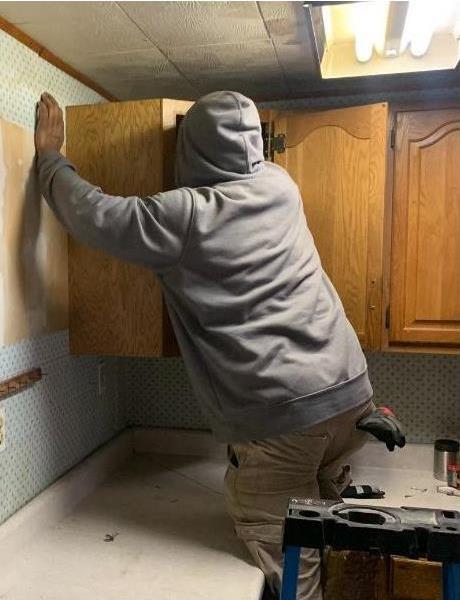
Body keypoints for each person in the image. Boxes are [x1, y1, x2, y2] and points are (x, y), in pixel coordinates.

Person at [34, 90, 374, 600]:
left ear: (190, 152)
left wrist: (48, 161)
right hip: (352, 400)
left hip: (283, 420)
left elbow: (97, 215)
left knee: (293, 560)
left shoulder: (187, 215)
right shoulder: (281, 185)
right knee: (327, 535)